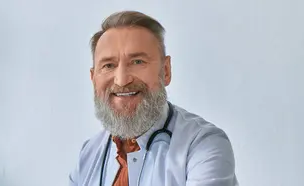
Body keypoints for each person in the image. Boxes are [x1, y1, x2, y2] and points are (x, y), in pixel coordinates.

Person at [68, 10, 238, 186]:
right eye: (108, 65)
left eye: (137, 62)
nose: (122, 80)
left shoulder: (203, 144)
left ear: (165, 71)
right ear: (94, 79)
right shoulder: (88, 155)